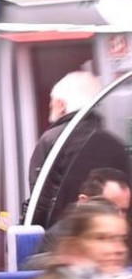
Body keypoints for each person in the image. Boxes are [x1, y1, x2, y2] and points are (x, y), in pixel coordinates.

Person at [26, 71, 128, 228]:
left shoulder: (52, 141)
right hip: (113, 231)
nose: (50, 107)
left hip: (67, 236)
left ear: (61, 105)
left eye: (51, 103)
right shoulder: (116, 144)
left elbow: (40, 202)